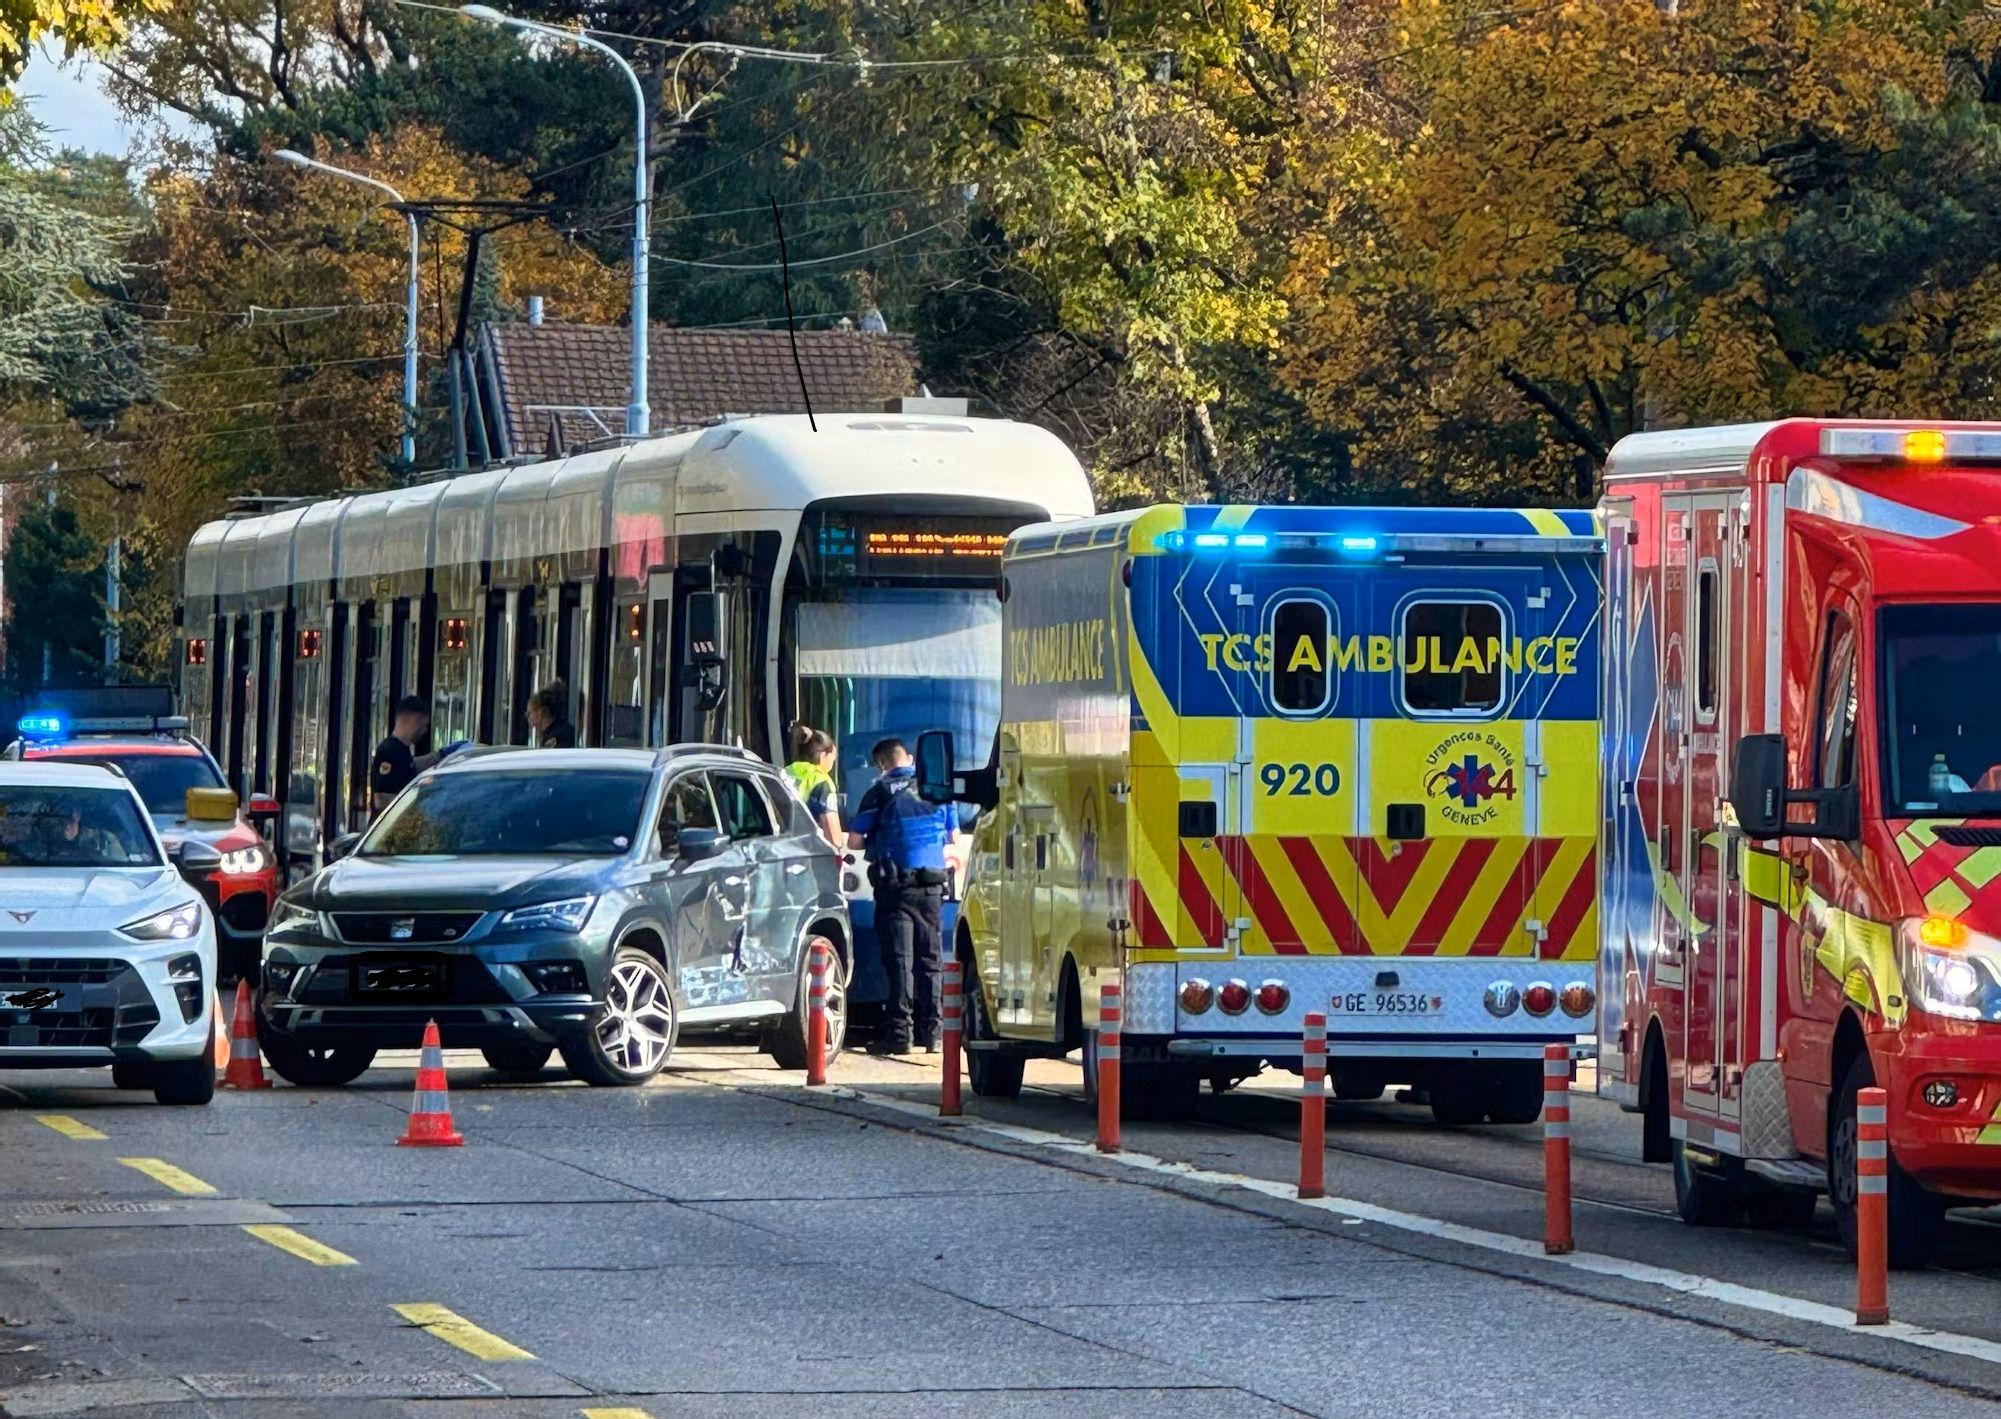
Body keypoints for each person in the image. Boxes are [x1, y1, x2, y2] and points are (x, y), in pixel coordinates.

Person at [847, 737, 957, 1056]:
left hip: (896, 888)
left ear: (882, 764)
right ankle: (933, 1033)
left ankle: (900, 1035)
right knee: (931, 959)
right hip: (933, 886)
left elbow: (854, 841)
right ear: (907, 758)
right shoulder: (936, 789)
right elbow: (953, 835)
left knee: (899, 962)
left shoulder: (878, 792)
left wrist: (878, 840)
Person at [369, 696, 444, 816]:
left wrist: (440, 756)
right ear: (415, 720)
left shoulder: (401, 750)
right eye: (425, 725)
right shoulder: (389, 752)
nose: (425, 730)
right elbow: (382, 799)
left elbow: (410, 767)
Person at [783, 723, 843, 849]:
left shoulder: (784, 772)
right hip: (806, 850)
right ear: (823, 756)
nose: (831, 765)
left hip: (781, 847)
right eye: (832, 760)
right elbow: (834, 837)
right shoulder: (821, 781)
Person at [526, 681, 577, 748]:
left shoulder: (556, 737)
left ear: (541, 712)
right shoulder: (556, 730)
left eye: (529, 713)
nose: (527, 716)